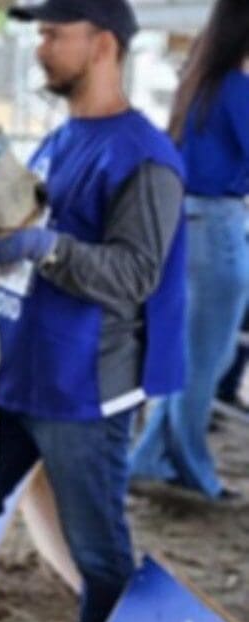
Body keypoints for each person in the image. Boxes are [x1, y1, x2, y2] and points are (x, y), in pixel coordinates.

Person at [0, 1, 187, 622]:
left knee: (100, 559)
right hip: (15, 376)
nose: (40, 47)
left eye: (53, 34)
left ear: (102, 45)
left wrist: (46, 250)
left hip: (83, 393)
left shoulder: (144, 158)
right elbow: (28, 213)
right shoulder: (58, 136)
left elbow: (135, 275)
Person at [129, 0, 249, 499]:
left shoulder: (197, 83)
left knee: (196, 357)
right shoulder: (237, 89)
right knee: (206, 362)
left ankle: (149, 460)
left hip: (186, 223)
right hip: (218, 225)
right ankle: (195, 474)